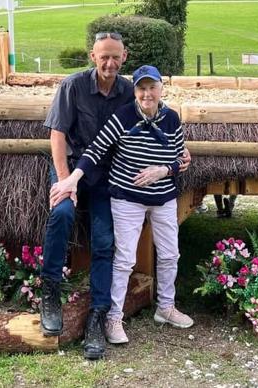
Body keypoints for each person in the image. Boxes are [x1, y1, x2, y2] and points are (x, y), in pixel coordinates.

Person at [41, 32, 191, 360]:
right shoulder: (73, 86)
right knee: (62, 214)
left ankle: (98, 315)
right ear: (92, 56)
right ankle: (50, 290)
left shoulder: (129, 90)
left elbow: (157, 121)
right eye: (103, 56)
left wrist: (177, 153)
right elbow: (57, 134)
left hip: (106, 175)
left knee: (105, 240)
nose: (109, 62)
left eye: (115, 56)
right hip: (72, 166)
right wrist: (67, 181)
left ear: (124, 57)